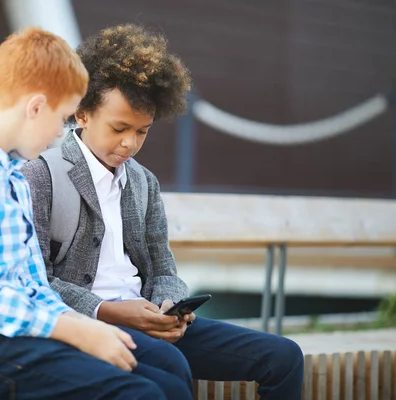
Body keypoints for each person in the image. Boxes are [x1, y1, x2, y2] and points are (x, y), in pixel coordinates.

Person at [22, 23, 305, 399]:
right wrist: (108, 310)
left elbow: (163, 268)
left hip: (150, 322)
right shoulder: (40, 175)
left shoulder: (143, 182)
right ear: (83, 113)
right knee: (170, 372)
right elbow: (34, 281)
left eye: (142, 131)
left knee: (284, 357)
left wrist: (169, 305)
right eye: (120, 128)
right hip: (87, 327)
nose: (129, 144)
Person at [0, 27, 174, 400]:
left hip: (21, 329)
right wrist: (75, 330)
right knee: (139, 393)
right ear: (36, 107)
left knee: (167, 377)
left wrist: (86, 323)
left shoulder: (9, 176)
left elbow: (33, 287)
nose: (61, 135)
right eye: (62, 118)